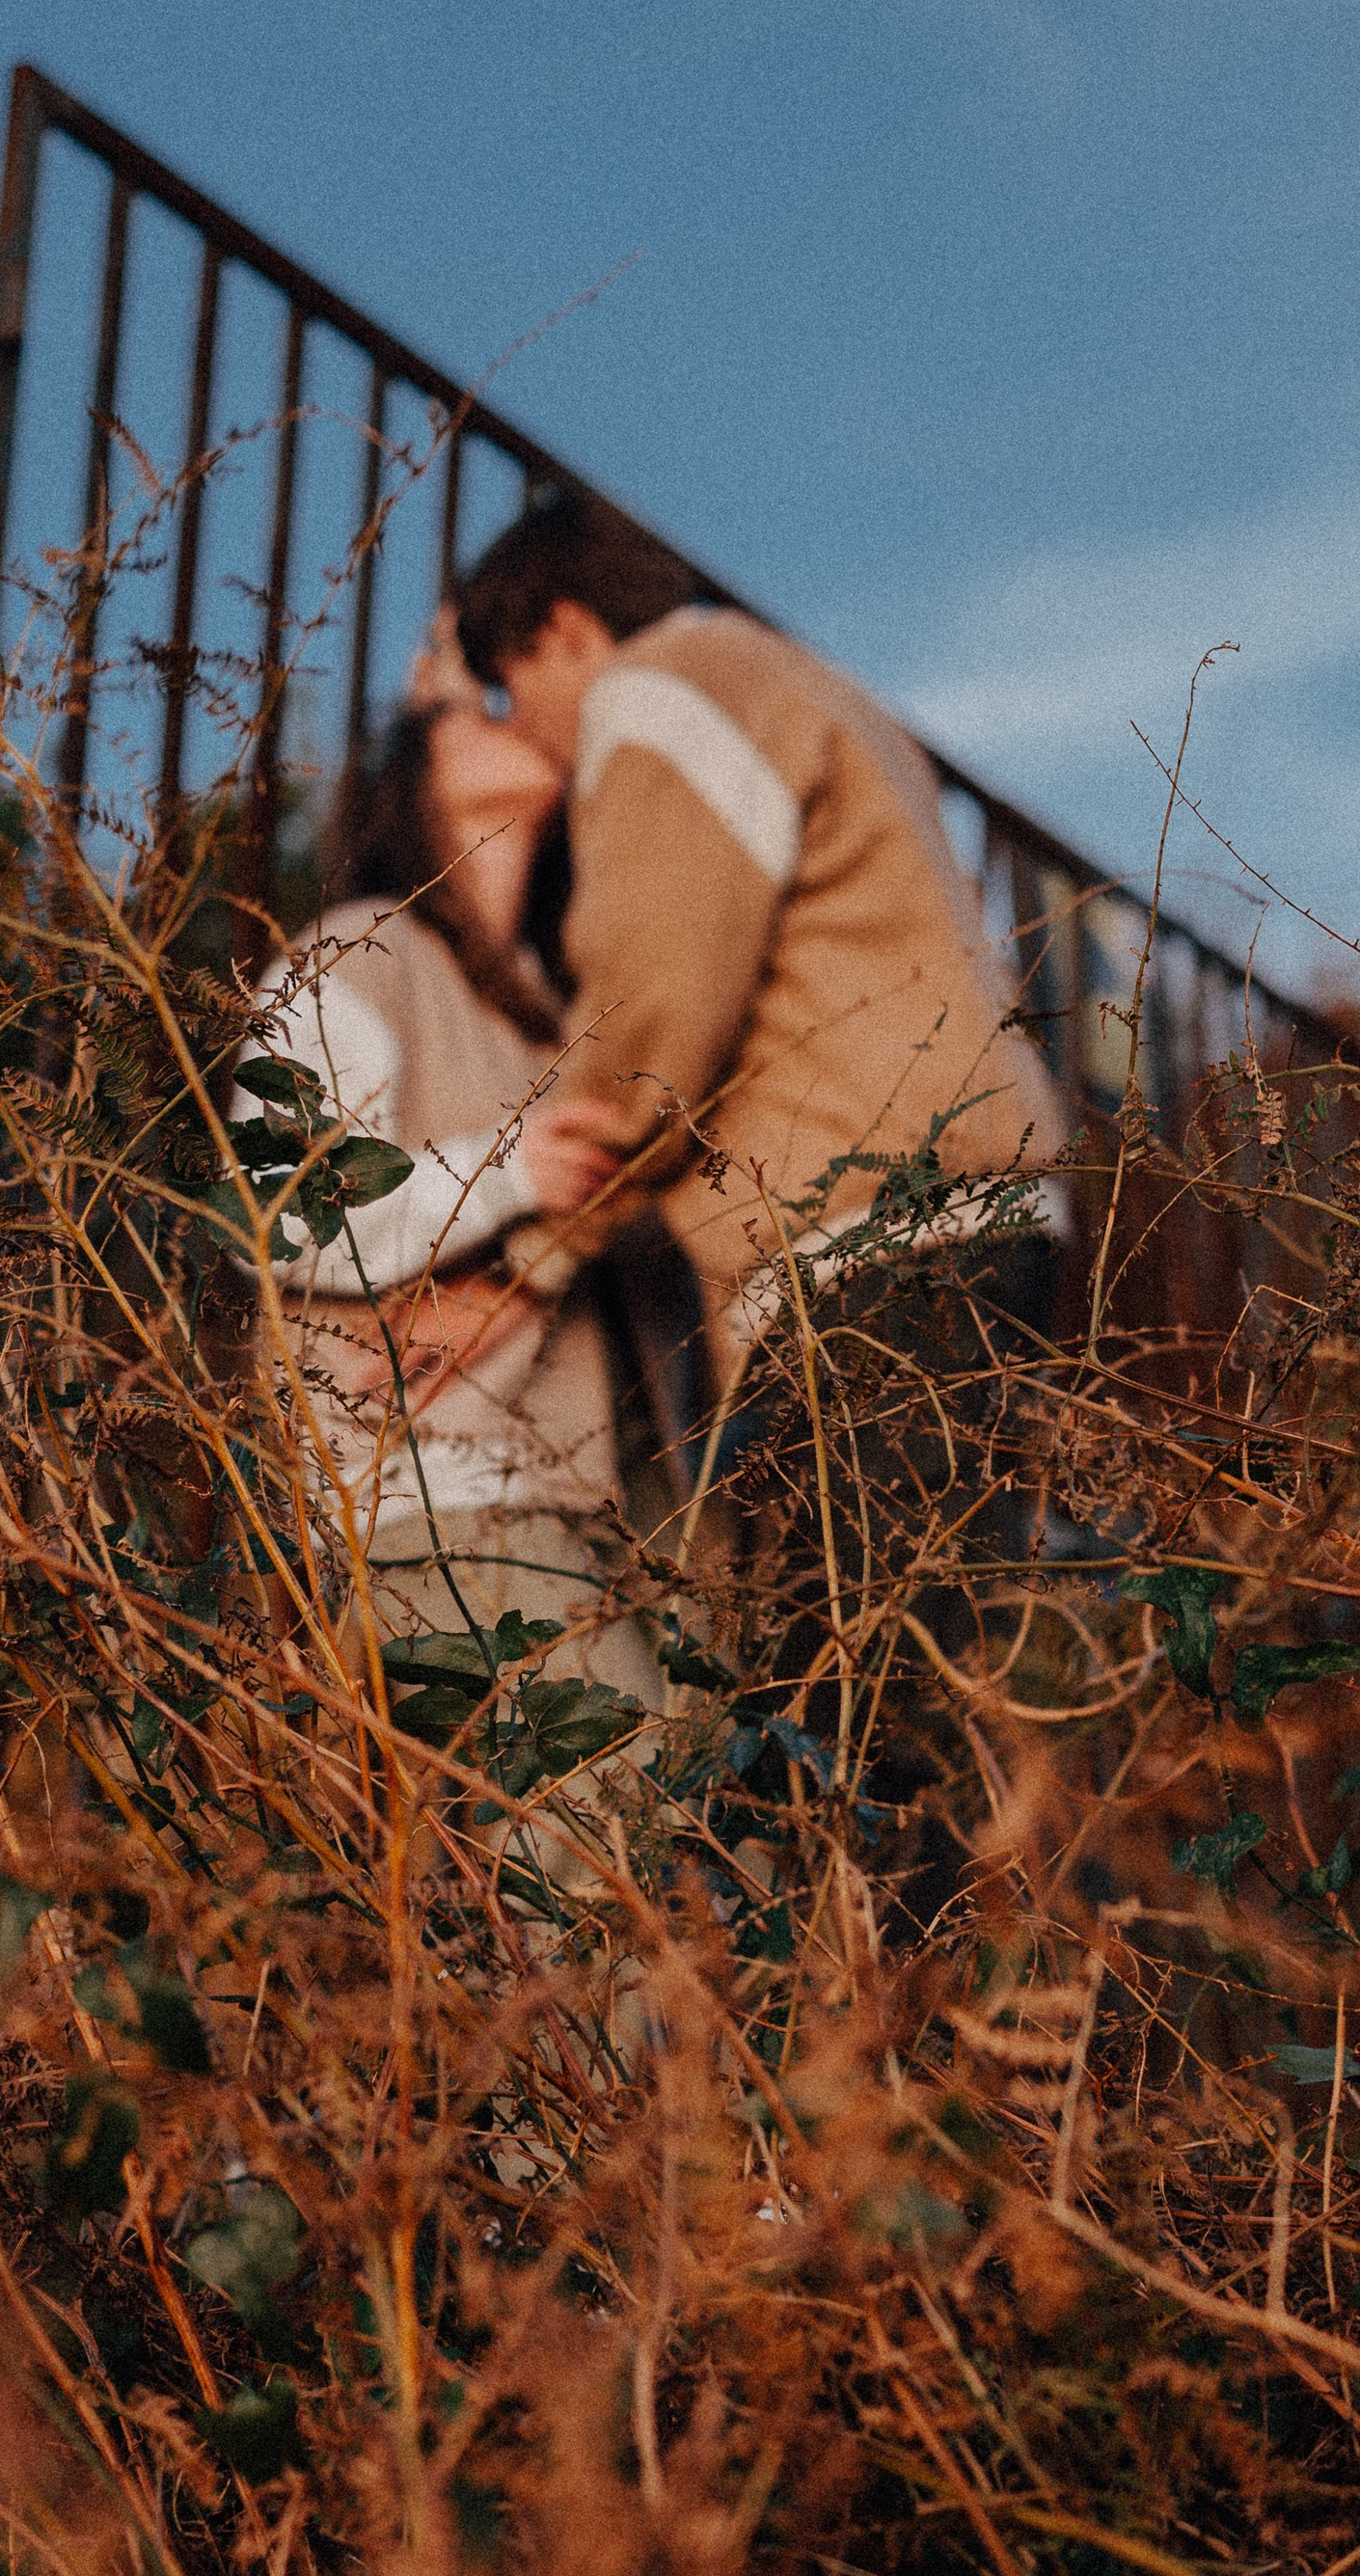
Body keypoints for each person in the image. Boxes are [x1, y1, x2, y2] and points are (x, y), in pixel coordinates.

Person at [450, 491, 1071, 1403]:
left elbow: (652, 1005)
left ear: (568, 630)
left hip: (873, 1247)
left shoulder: (660, 688)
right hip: (972, 1215)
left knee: (863, 1548)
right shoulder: (811, 691)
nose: (522, 724)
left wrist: (529, 1264)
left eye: (511, 684)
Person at [244, 623, 651, 1697]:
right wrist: (509, 1173)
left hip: (564, 1498)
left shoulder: (549, 1008)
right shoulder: (359, 950)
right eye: (473, 709)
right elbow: (280, 1205)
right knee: (625, 1809)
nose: (509, 713)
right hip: (422, 1490)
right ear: (414, 775)